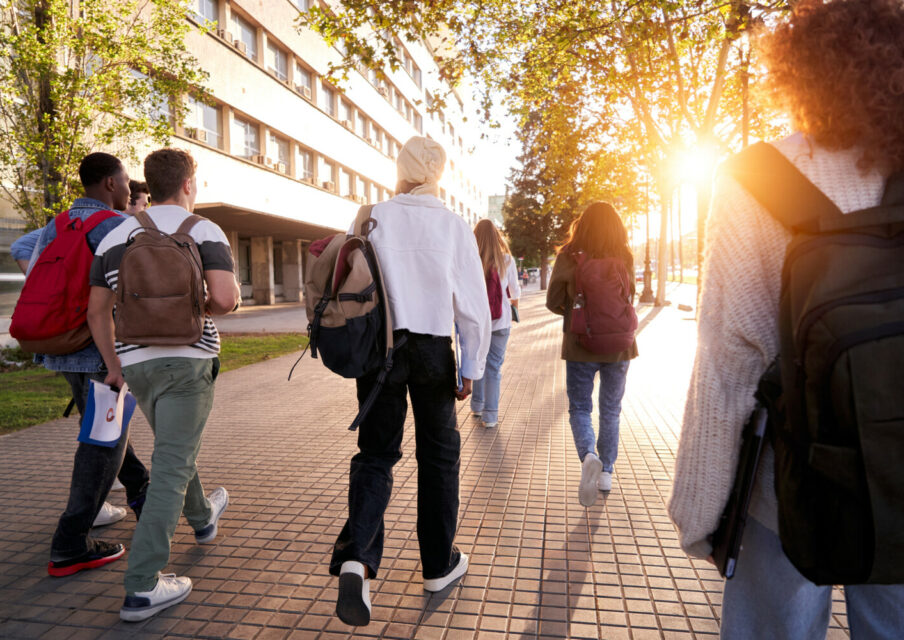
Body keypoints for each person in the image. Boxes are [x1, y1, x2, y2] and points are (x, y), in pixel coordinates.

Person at [668, 1, 904, 637]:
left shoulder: (756, 178)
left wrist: (702, 509)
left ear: (800, 73)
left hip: (792, 484)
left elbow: (730, 357)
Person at [330, 136, 491, 627]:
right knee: (439, 456)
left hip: (380, 350)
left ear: (399, 169)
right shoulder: (451, 223)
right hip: (432, 352)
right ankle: (438, 565)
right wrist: (472, 368)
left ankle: (358, 557)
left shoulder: (371, 217)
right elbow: (474, 306)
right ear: (438, 173)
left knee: (377, 454)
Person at [88, 148, 240, 621]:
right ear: (189, 183)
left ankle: (202, 517)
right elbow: (225, 299)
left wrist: (114, 365)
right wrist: (194, 307)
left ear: (148, 184)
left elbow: (96, 311)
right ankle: (143, 585)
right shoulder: (204, 231)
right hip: (189, 361)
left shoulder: (115, 233)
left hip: (136, 364)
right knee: (172, 465)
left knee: (175, 449)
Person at [13, 153, 151, 576]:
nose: (129, 189)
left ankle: (143, 492)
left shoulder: (60, 222)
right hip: (101, 349)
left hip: (62, 345)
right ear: (110, 183)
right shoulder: (117, 225)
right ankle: (71, 541)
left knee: (103, 431)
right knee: (103, 442)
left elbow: (22, 249)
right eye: (126, 180)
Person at [546, 202, 637, 506]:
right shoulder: (624, 254)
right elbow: (629, 295)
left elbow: (553, 300)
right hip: (619, 345)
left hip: (580, 345)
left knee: (580, 408)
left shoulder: (569, 255)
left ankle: (589, 455)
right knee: (611, 409)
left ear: (581, 225)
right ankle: (607, 471)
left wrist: (579, 315)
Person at [470, 219, 520, 429]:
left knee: (479, 362)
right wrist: (513, 310)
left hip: (477, 322)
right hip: (501, 322)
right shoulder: (506, 260)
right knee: (494, 368)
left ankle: (477, 405)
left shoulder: (471, 259)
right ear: (497, 236)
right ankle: (490, 416)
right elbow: (515, 292)